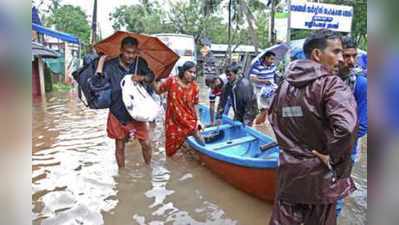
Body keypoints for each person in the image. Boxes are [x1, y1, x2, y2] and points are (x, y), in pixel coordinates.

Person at [268, 29, 358, 225]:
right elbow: (347, 129)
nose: (341, 59)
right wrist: (335, 162)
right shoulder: (332, 85)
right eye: (336, 52)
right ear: (317, 54)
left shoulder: (284, 84)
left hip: (289, 175)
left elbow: (273, 118)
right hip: (320, 180)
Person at [103, 36, 155, 167]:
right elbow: (101, 83)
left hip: (137, 111)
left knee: (146, 143)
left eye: (133, 52)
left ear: (137, 51)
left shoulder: (140, 63)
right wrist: (100, 64)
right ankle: (121, 173)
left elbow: (151, 76)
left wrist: (142, 77)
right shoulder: (110, 66)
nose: (130, 56)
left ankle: (148, 169)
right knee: (120, 146)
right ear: (121, 50)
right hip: (117, 111)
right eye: (127, 52)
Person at [335, 36, 368, 216]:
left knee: (338, 194)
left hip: (347, 150)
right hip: (321, 150)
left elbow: (363, 125)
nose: (351, 61)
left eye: (353, 56)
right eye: (346, 56)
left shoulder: (361, 84)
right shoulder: (325, 80)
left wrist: (335, 144)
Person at [152, 61, 205, 157]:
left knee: (197, 134)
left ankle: (206, 153)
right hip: (173, 120)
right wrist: (153, 79)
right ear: (183, 71)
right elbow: (159, 91)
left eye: (194, 72)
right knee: (170, 151)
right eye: (190, 72)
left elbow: (195, 105)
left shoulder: (195, 87)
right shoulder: (172, 81)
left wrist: (198, 120)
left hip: (188, 119)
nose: (193, 75)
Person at [249, 51, 278, 125]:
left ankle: (263, 125)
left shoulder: (273, 66)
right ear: (266, 58)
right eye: (271, 59)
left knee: (270, 109)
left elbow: (276, 74)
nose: (272, 61)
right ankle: (257, 126)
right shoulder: (257, 66)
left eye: (273, 59)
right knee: (263, 110)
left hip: (271, 90)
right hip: (260, 91)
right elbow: (252, 78)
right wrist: (264, 81)